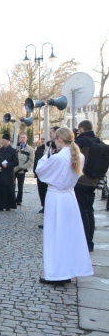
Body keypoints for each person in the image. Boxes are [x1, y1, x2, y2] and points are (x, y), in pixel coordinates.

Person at [35, 127, 93, 284]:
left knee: (55, 236)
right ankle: (67, 271)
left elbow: (40, 171)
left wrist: (47, 153)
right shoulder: (79, 156)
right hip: (69, 197)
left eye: (55, 139)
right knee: (67, 236)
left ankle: (56, 273)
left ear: (59, 139)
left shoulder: (58, 158)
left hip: (56, 197)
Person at [75, 120, 100, 252]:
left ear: (81, 129)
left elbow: (74, 160)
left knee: (82, 212)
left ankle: (84, 241)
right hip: (94, 180)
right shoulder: (97, 140)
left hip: (82, 180)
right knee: (90, 211)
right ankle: (90, 241)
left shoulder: (82, 141)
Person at [0, 133, 19, 211]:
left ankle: (8, 205)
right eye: (1, 140)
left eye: (4, 140)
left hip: (8, 174)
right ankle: (0, 206)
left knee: (8, 189)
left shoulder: (13, 151)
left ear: (8, 141)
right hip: (0, 173)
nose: (2, 142)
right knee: (0, 190)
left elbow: (16, 162)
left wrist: (8, 165)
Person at [14, 133, 34, 206]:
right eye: (21, 137)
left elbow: (31, 160)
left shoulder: (30, 149)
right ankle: (13, 199)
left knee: (20, 186)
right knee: (12, 185)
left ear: (26, 138)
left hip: (21, 170)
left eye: (23, 137)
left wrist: (23, 166)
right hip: (13, 169)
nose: (22, 139)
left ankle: (19, 200)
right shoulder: (15, 147)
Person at [34, 137, 47, 212]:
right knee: (41, 190)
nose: (42, 140)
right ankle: (43, 205)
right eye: (41, 139)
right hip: (39, 172)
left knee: (45, 190)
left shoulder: (49, 149)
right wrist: (34, 171)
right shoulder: (39, 149)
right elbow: (36, 160)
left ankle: (46, 205)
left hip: (46, 173)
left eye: (44, 139)